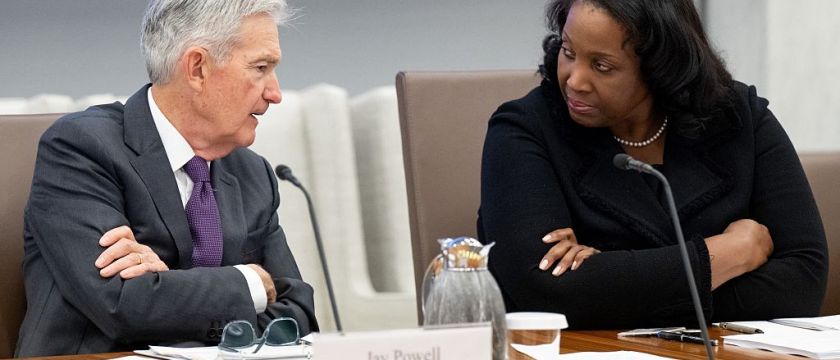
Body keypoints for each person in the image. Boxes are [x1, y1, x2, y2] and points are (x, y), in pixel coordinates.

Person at [478, 0, 828, 329]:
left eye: (602, 66)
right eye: (569, 52)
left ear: (661, 68)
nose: (575, 80)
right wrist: (727, 254)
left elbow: (803, 282)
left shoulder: (739, 118)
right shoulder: (525, 129)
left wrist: (611, 282)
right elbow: (540, 291)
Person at [16, 0, 317, 356]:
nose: (275, 93)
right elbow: (122, 304)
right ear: (197, 68)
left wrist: (164, 287)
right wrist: (253, 280)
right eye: (261, 68)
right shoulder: (82, 148)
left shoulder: (254, 174)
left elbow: (296, 314)